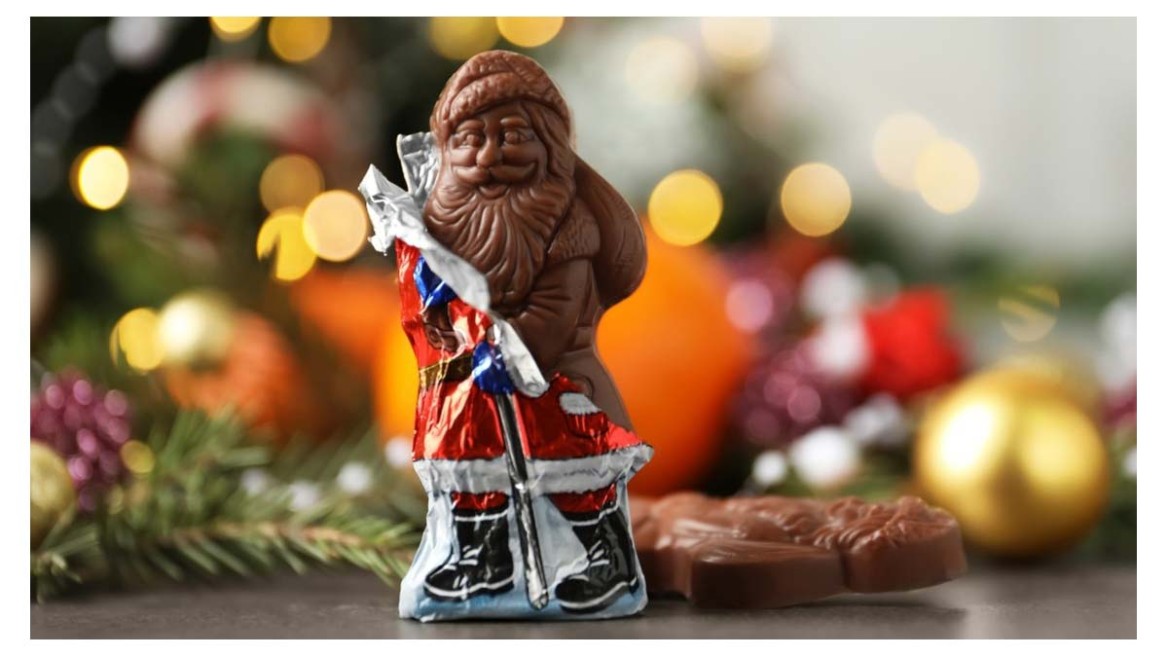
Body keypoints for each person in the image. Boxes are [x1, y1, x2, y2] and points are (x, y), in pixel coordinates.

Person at [382, 50, 652, 617]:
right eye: (468, 140)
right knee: (465, 462)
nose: (486, 155)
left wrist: (516, 349)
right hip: (474, 389)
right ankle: (483, 557)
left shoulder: (567, 226)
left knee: (571, 470)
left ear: (550, 145)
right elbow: (442, 306)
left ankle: (603, 556)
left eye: (511, 137)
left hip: (553, 382)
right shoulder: (445, 226)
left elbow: (556, 311)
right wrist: (436, 300)